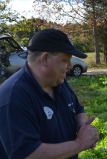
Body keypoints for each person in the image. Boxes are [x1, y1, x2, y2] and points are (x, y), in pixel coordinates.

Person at [0, 29, 99, 159]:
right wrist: (80, 143)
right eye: (65, 60)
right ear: (45, 59)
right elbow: (29, 154)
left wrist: (82, 127)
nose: (70, 65)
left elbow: (78, 109)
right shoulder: (13, 97)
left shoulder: (58, 81)